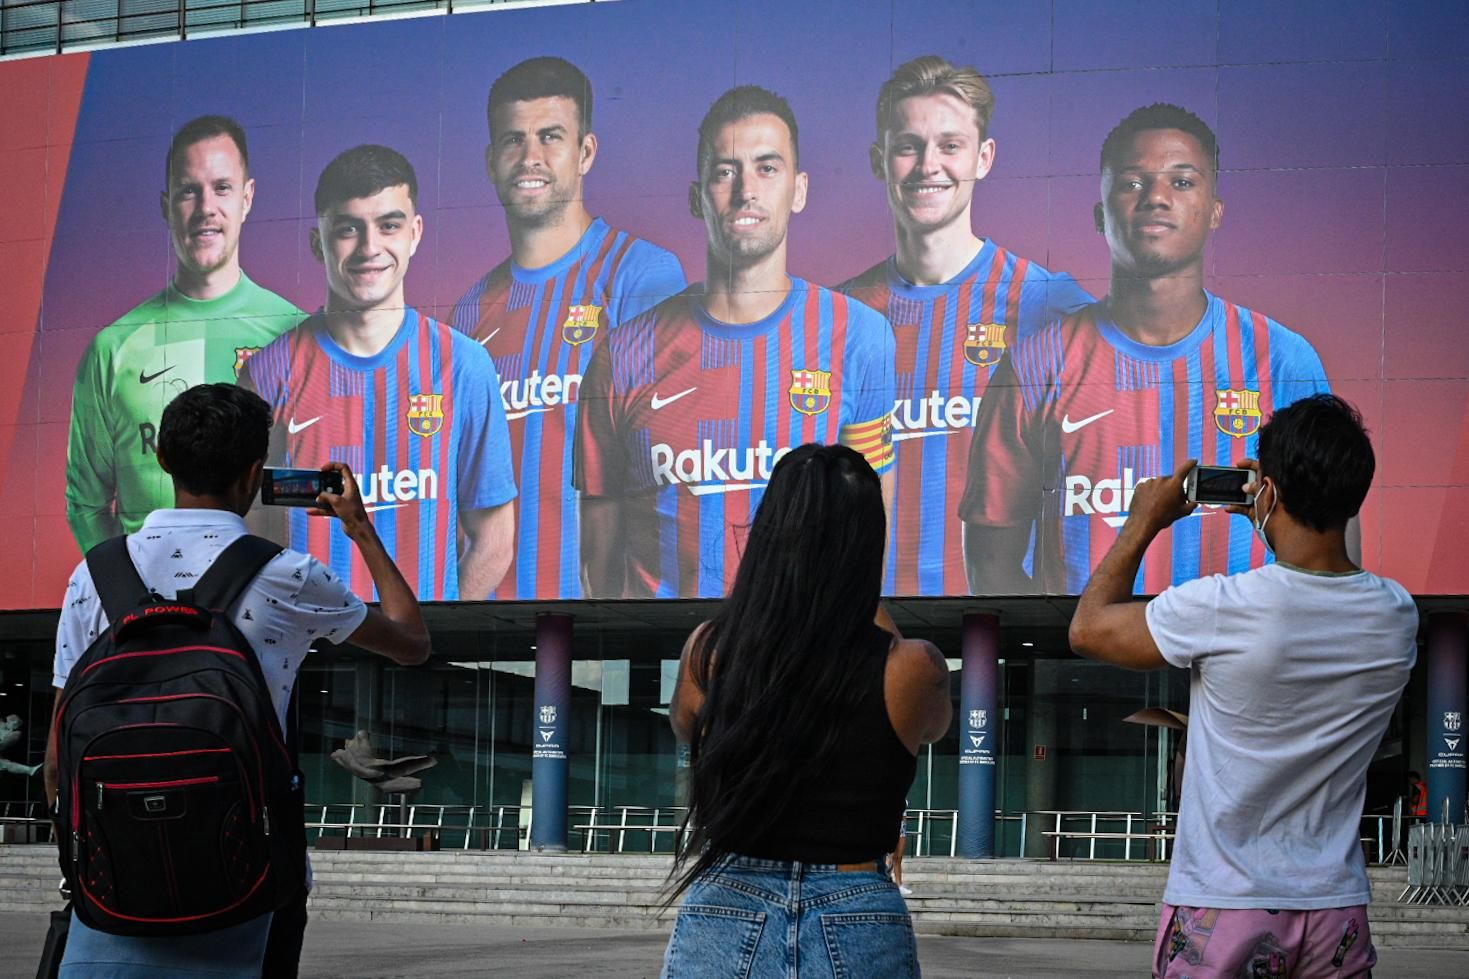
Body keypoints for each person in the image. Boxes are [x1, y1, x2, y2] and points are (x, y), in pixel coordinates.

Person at [43, 382, 431, 978]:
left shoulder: (93, 574)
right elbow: (411, 643)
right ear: (255, 474)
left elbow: (54, 764)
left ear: (164, 460)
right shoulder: (288, 575)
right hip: (252, 886)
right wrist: (359, 527)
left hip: (114, 893)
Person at [1068, 394, 1416, 978]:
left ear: (1269, 490)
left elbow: (1088, 628)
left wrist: (1145, 519)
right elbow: (1318, 587)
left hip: (1224, 904)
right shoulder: (1395, 615)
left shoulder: (1224, 607)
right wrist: (1273, 514)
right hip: (1335, 907)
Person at [960, 103, 1332, 596]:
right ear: (1100, 214)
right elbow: (992, 567)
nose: (1156, 198)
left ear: (1215, 211)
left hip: (1240, 667)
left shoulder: (1283, 360)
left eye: (1181, 182)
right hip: (1083, 666)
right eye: (1133, 182)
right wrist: (1070, 646)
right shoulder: (1034, 365)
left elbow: (1331, 547)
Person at [574, 85, 897, 598]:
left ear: (800, 188)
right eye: (725, 171)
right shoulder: (622, 354)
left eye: (767, 167)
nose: (746, 189)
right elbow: (600, 565)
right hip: (672, 663)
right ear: (696, 196)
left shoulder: (859, 336)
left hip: (806, 660)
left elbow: (869, 538)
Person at [663, 444, 950, 978]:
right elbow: (932, 726)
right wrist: (851, 589)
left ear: (769, 533)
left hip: (727, 903)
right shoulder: (912, 667)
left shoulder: (711, 651)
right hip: (856, 908)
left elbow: (686, 727)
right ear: (869, 544)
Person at [839, 55, 1091, 596]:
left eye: (950, 146)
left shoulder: (1051, 304)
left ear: (984, 157)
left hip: (1002, 632)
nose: (929, 165)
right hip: (859, 628)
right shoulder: (838, 317)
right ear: (880, 160)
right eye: (909, 145)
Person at [452, 56, 687, 599]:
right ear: (490, 162)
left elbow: (660, 467)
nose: (529, 157)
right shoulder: (468, 311)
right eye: (513, 140)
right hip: (488, 621)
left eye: (550, 136)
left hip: (605, 621)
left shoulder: (641, 274)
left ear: (586, 152)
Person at [242, 145, 516, 601]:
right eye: (349, 229)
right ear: (317, 243)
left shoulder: (464, 364)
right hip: (310, 654)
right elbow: (250, 531)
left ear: (415, 233)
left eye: (388, 225)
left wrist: (429, 633)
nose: (370, 248)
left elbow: (494, 537)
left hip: (423, 655)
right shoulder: (269, 372)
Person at [66, 115, 301, 554]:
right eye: (189, 191)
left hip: (263, 609)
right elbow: (86, 503)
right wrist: (127, 593)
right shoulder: (112, 349)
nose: (206, 207)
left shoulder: (295, 334)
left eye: (222, 188)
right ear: (165, 205)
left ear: (248, 197)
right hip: (152, 617)